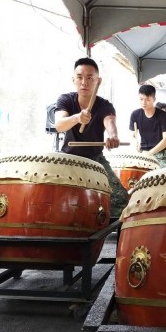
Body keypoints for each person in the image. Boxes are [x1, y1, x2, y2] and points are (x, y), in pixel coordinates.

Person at [55, 57, 129, 219]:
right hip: (68, 157)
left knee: (121, 199)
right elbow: (59, 125)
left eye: (90, 78)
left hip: (95, 160)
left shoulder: (104, 105)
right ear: (73, 79)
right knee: (55, 198)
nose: (84, 82)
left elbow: (110, 122)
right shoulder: (66, 100)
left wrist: (114, 136)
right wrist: (77, 118)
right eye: (80, 77)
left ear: (98, 81)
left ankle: (102, 230)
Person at [129, 85, 166, 167]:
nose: (143, 103)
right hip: (143, 152)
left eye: (147, 100)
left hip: (160, 152)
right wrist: (135, 143)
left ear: (154, 99)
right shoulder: (135, 114)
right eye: (141, 99)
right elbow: (133, 135)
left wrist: (150, 153)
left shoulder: (164, 116)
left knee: (159, 174)